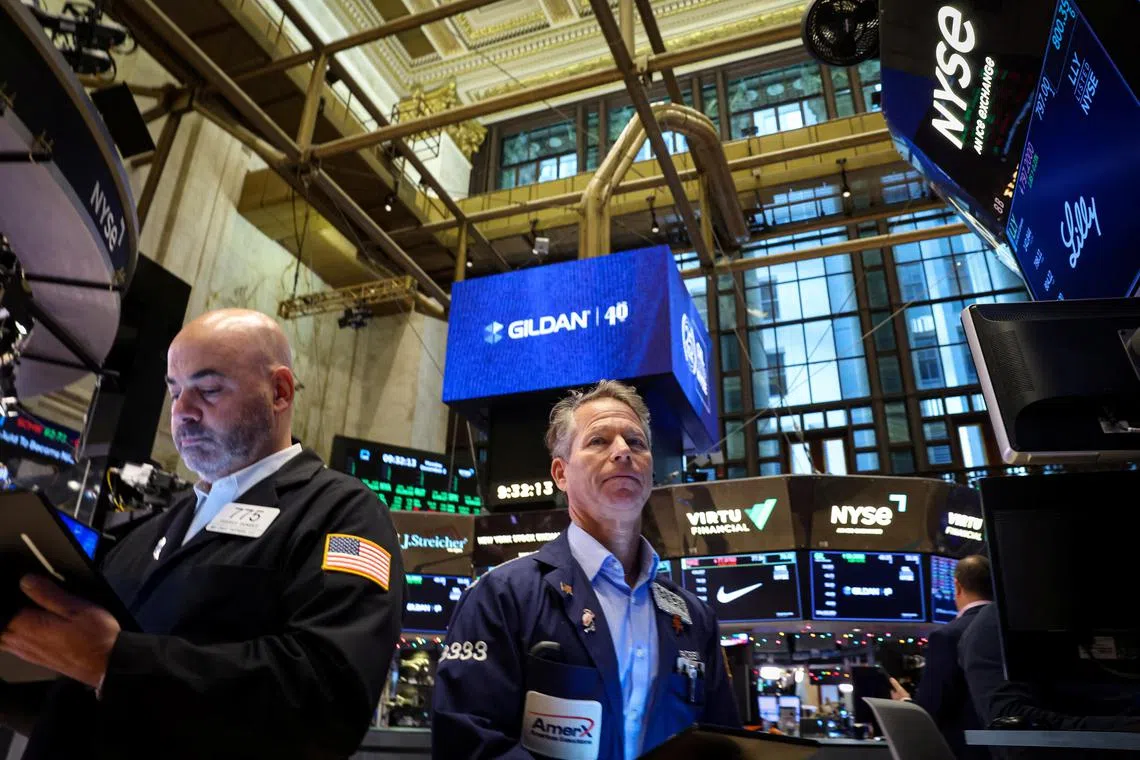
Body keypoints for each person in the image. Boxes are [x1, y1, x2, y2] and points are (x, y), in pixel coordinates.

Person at [0, 308, 404, 758]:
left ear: (280, 391)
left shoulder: (342, 513)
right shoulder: (146, 533)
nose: (182, 412)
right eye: (175, 391)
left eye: (208, 390)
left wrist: (117, 662)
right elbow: (64, 694)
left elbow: (326, 700)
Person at [432, 380, 740, 759]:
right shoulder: (500, 596)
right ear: (561, 474)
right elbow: (467, 744)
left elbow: (724, 746)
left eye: (636, 442)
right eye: (598, 441)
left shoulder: (695, 618)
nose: (623, 451)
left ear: (650, 470)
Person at [890, 555, 993, 759]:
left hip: (967, 752)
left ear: (957, 586)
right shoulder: (1013, 630)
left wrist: (905, 703)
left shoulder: (947, 636)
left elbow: (932, 707)